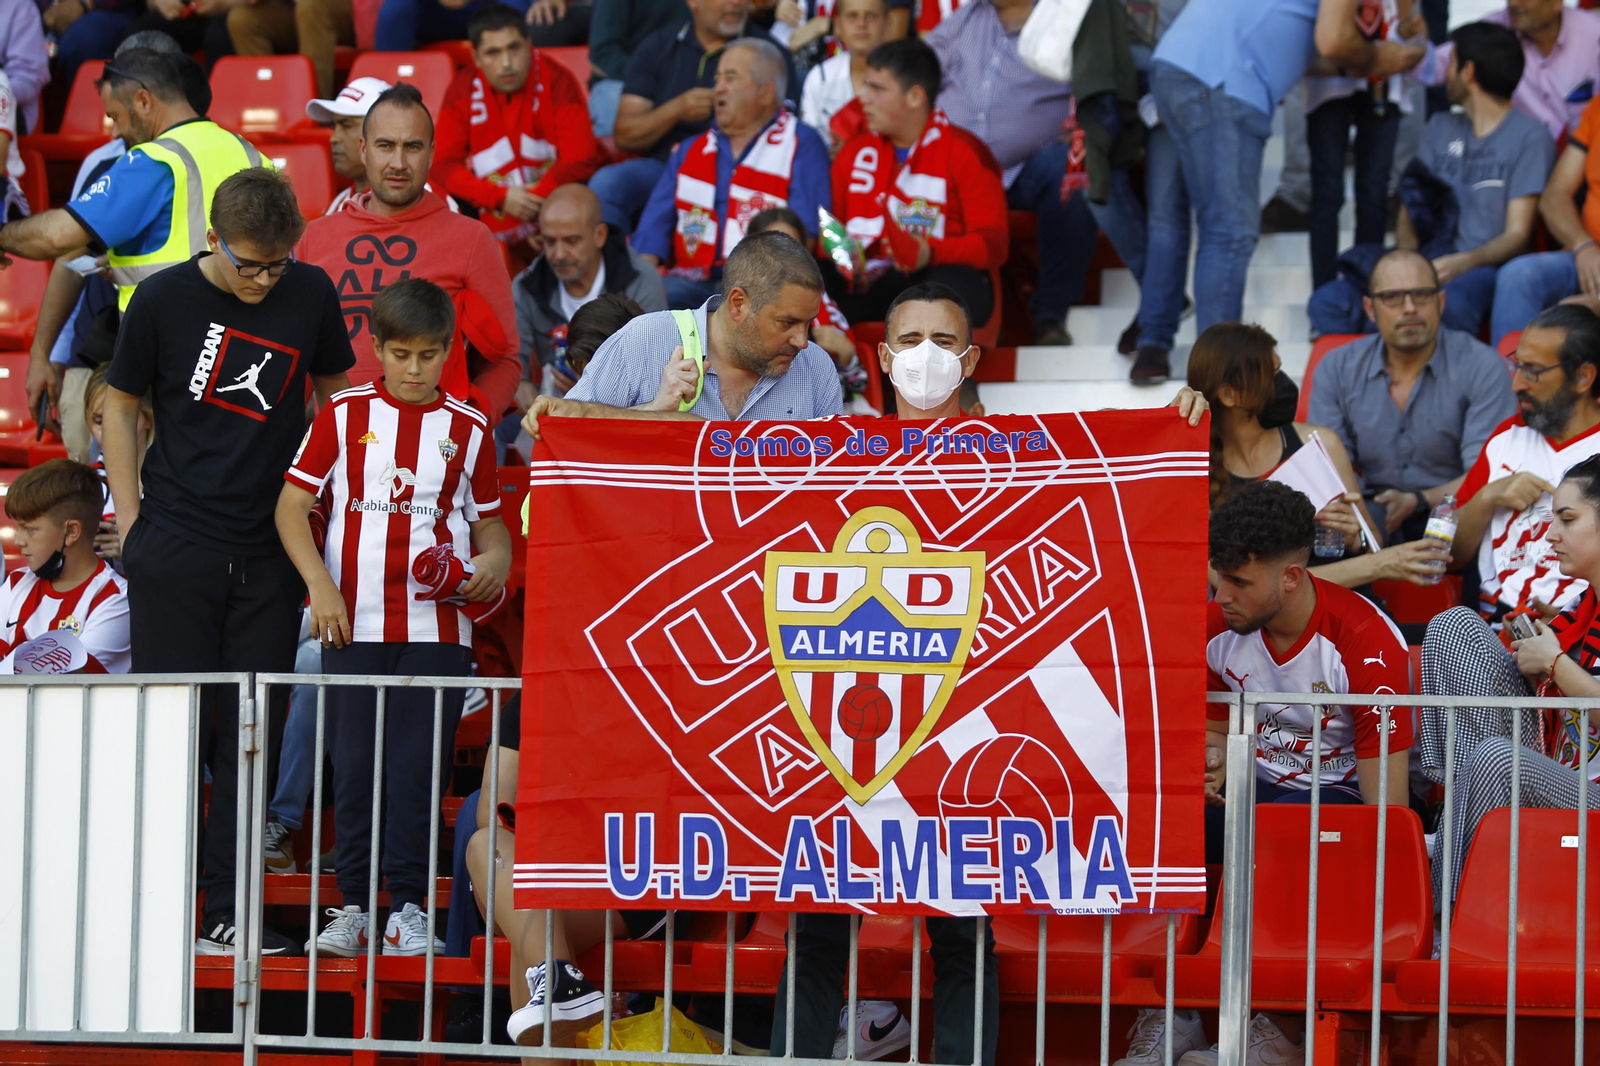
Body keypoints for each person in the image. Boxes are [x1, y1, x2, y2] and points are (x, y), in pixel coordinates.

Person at [103, 167, 354, 956]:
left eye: (278, 264)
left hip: (269, 551)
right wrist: (132, 523)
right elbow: (119, 403)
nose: (264, 281)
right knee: (173, 732)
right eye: (249, 265)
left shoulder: (310, 291)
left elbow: (338, 399)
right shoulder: (161, 299)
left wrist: (320, 514)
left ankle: (226, 908)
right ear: (213, 239)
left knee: (250, 738)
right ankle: (155, 907)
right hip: (175, 544)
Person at [278, 277, 510, 958]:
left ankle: (408, 909)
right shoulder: (343, 413)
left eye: (429, 355)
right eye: (401, 354)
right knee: (353, 769)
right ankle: (352, 907)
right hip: (351, 623)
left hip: (437, 630)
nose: (414, 369)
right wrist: (320, 587)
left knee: (417, 771)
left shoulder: (469, 429)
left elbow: (492, 528)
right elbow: (291, 507)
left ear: (449, 352)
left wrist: (494, 561)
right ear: (376, 348)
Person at [1157, 478, 1413, 1066]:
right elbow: (1215, 733)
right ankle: (1176, 1013)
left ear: (1292, 577)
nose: (1222, 595)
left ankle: (1282, 1026)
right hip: (1256, 790)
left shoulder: (1366, 642)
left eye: (1239, 582)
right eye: (1219, 577)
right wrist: (1210, 767)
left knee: (1285, 830)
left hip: (1341, 799)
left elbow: (1388, 808)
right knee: (1165, 818)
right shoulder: (1216, 627)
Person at [1129, 0, 1424, 385]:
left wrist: (1366, 58)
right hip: (1223, 80)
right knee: (1228, 234)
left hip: (1182, 64)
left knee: (1191, 223)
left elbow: (1314, 55)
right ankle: (1218, 382)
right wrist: (1377, 57)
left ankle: (1175, 351)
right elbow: (1334, 41)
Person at [1420, 453, 1600, 908]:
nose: (1550, 534)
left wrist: (1555, 664)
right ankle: (1457, 813)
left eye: (1567, 519)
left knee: (1498, 758)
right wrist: (1542, 655)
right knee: (1455, 626)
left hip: (1593, 803)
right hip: (1559, 771)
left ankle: (1446, 918)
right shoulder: (1580, 609)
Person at [1307, 22, 1555, 342]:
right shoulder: (1440, 126)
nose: (1445, 73)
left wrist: (1462, 262)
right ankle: (1380, 361)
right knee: (1327, 303)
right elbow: (1412, 206)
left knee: (1450, 306)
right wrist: (1406, 265)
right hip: (1425, 264)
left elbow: (1517, 235)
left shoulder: (1530, 136)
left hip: (1481, 268)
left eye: (1451, 63)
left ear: (1468, 72)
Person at [297, 83, 522, 419]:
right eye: (385, 145)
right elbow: (294, 352)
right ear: (364, 149)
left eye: (412, 147)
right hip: (338, 442)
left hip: (433, 439)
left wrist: (469, 428)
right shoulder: (315, 237)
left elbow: (504, 358)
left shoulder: (471, 238)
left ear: (431, 153)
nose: (398, 162)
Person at [1187, 321, 1451, 590]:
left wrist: (1355, 538)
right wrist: (1376, 564)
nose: (1284, 384)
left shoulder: (1318, 443)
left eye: (1280, 369)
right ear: (1229, 395)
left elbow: (1373, 543)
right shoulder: (1193, 468)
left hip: (1345, 604)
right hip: (1268, 616)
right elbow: (1241, 585)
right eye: (1271, 374)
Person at [0, 49, 264, 313]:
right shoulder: (250, 152)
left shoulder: (152, 160)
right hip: (240, 328)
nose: (115, 133)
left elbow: (57, 236)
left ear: (143, 101)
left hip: (169, 330)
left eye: (115, 117)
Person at [524, 231, 844, 432]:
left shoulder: (816, 368)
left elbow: (831, 484)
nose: (802, 341)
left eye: (808, 323)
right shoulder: (643, 340)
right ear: (738, 304)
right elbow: (564, 435)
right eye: (787, 323)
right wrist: (653, 412)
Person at [1308, 249, 1518, 544]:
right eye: (1392, 297)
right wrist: (1361, 523)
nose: (1409, 308)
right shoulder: (1337, 367)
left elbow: (1488, 473)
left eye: (1421, 295)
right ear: (1370, 309)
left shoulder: (1482, 365)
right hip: (1370, 510)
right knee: (1328, 536)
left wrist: (1419, 500)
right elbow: (1329, 471)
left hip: (1456, 508)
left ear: (1440, 302)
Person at [925, 0, 1088, 346]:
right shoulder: (967, 17)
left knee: (1070, 172)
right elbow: (919, 73)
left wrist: (1080, 126)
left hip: (1025, 169)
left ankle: (1051, 313)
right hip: (957, 171)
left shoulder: (1061, 16)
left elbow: (1093, 84)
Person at [633, 37, 831, 309]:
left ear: (765, 93)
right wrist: (643, 292)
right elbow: (653, 227)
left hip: (763, 288)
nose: (718, 88)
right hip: (689, 282)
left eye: (730, 78)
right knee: (647, 299)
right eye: (717, 79)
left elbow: (805, 236)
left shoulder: (801, 143)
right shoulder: (691, 149)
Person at [828, 38, 1007, 330]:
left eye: (877, 89)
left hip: (938, 277)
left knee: (939, 291)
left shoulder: (965, 151)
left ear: (914, 97)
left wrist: (930, 253)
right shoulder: (853, 152)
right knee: (808, 279)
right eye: (865, 86)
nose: (863, 98)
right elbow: (832, 228)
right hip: (868, 283)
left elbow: (993, 245)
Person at [1444, 304, 1600, 624]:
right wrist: (1487, 498)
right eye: (1517, 366)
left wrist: (1574, 622)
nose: (1517, 384)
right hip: (1497, 626)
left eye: (1534, 371)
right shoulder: (1507, 437)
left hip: (1587, 632)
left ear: (1583, 377)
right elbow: (1448, 556)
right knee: (1447, 626)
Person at [591, 0, 795, 232]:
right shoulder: (657, 45)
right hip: (665, 168)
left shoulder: (770, 54)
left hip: (742, 172)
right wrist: (676, 110)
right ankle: (618, 257)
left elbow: (786, 130)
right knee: (608, 184)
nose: (736, 3)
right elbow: (625, 135)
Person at [433, 4, 606, 249]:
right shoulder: (462, 88)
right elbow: (442, 164)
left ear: (529, 46)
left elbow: (580, 159)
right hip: (494, 201)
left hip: (555, 200)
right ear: (476, 58)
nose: (506, 63)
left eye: (514, 48)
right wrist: (500, 198)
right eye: (493, 53)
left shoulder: (557, 79)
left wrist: (531, 204)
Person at [513, 183, 667, 401]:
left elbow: (653, 368)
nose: (559, 254)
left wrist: (592, 391)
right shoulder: (527, 286)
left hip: (625, 406)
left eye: (571, 241)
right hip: (552, 403)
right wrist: (523, 390)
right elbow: (511, 362)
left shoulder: (640, 280)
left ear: (599, 235)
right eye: (549, 241)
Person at [0, 459, 130, 674]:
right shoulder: (16, 583)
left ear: (71, 532)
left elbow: (70, 684)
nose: (18, 541)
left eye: (29, 529)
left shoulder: (116, 599)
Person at [1412, 0, 1600, 145]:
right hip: (1515, 158)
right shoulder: (1494, 29)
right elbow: (1435, 66)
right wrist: (1409, 39)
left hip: (1581, 159)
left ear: (1557, 3)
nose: (1513, 4)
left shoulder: (1593, 34)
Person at [1494, 86, 1600, 334]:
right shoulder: (1597, 109)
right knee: (1518, 276)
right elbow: (1554, 196)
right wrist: (1583, 245)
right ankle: (1516, 360)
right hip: (1588, 257)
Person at [746, 206, 869, 407]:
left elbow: (851, 392)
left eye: (792, 248)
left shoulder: (820, 305)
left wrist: (846, 355)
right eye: (773, 247)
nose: (783, 258)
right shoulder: (738, 308)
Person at [585, 0, 689, 137]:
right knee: (614, 110)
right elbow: (601, 55)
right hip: (622, 80)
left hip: (685, 77)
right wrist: (652, 78)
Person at [797, 0, 888, 149]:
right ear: (838, 25)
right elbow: (808, 144)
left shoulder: (903, 78)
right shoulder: (820, 77)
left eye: (871, 16)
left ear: (887, 23)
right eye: (852, 16)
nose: (861, 24)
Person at [221, 0, 355, 99]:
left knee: (311, 8)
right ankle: (268, 103)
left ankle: (311, 108)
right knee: (242, 19)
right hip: (293, 8)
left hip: (349, 9)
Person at [375, 0, 531, 51]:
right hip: (429, 13)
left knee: (525, 13)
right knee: (396, 10)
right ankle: (387, 96)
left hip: (490, 7)